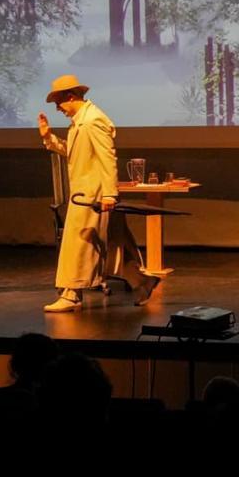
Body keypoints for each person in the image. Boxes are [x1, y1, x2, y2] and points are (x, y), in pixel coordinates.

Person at [37, 74, 159, 312]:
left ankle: (71, 294)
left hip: (93, 196)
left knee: (79, 245)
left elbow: (107, 157)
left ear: (70, 97)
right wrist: (48, 138)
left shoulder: (93, 120)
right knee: (111, 246)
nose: (58, 109)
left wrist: (110, 194)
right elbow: (74, 153)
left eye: (58, 103)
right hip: (86, 194)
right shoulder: (80, 122)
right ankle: (143, 282)